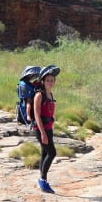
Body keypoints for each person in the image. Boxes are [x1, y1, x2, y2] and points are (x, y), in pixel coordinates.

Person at [33, 65, 60, 193]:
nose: (50, 82)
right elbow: (37, 115)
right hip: (41, 129)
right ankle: (43, 181)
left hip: (48, 127)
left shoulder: (50, 94)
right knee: (52, 153)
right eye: (48, 80)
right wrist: (43, 133)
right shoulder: (39, 95)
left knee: (45, 152)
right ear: (43, 81)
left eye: (52, 80)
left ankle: (41, 179)